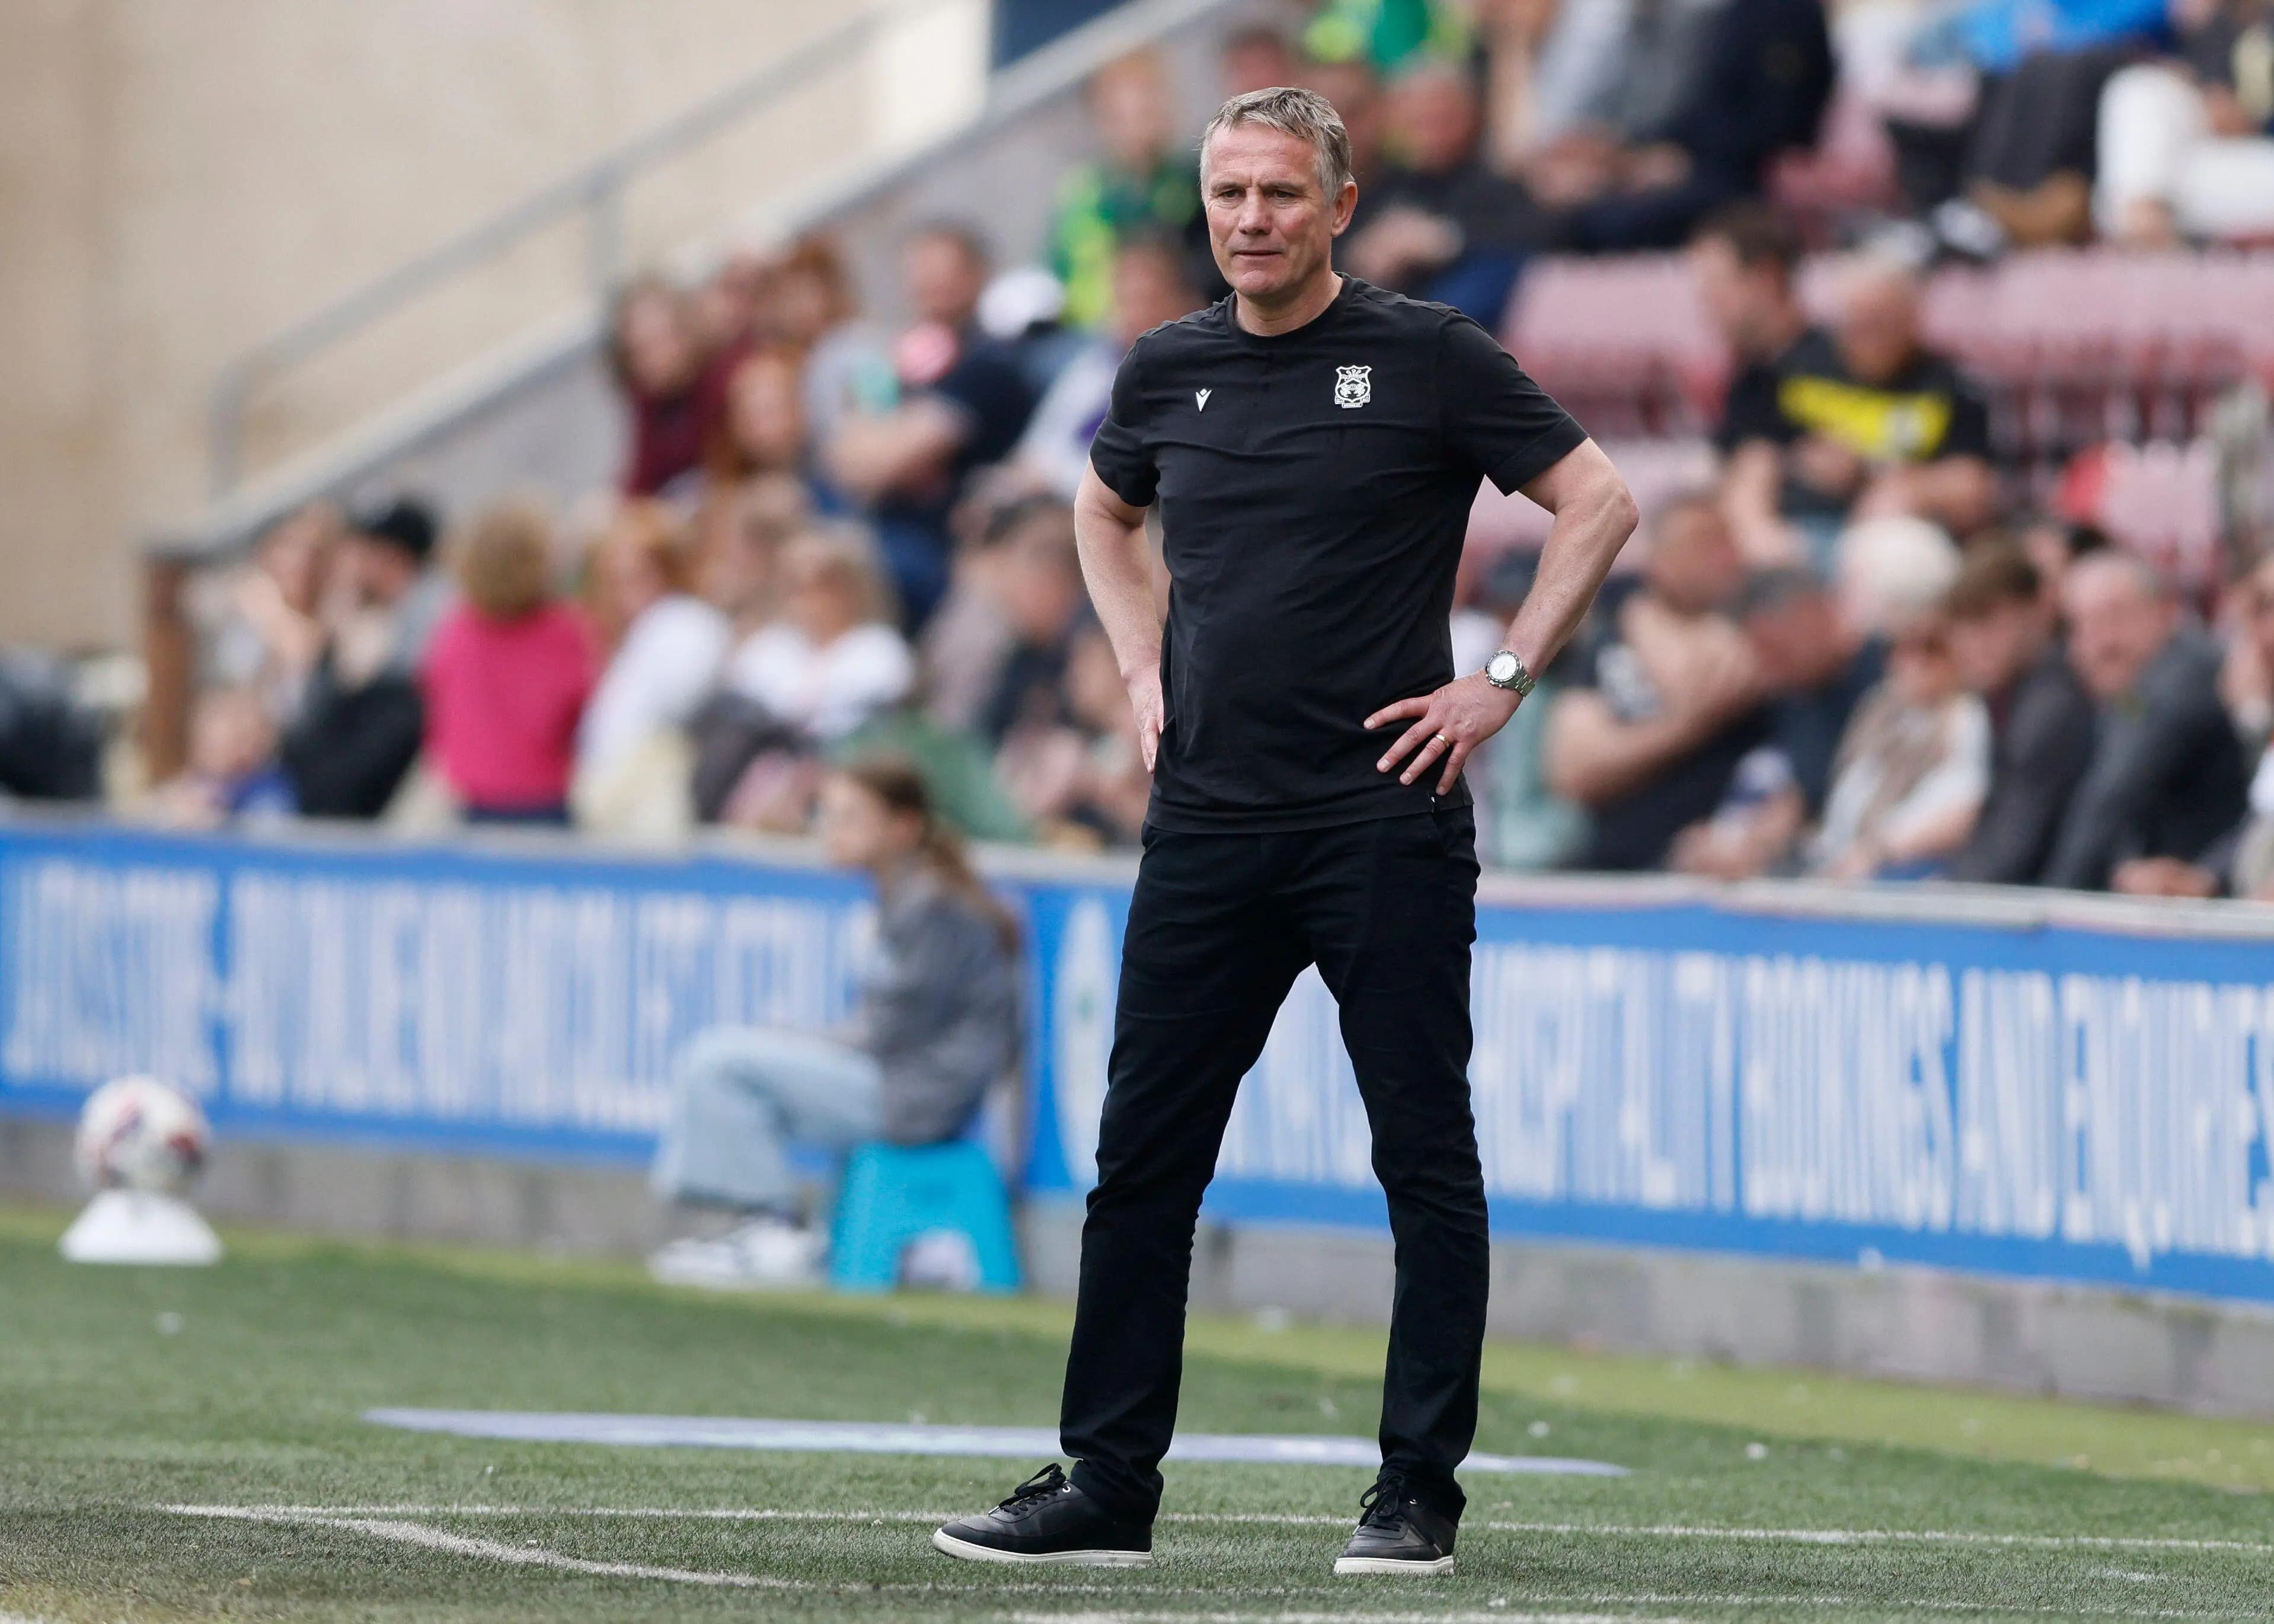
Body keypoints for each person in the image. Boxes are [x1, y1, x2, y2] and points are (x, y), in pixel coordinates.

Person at [932, 85, 1637, 1575]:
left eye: (1279, 194)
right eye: (1229, 194)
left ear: (1339, 207)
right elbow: (1102, 513)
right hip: (1206, 821)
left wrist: (1503, 678)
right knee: (1142, 1160)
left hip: (1382, 816)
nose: (1251, 219)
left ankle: (1417, 1490)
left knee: (1422, 1158)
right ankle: (1107, 1482)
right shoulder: (1165, 364)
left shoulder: (1430, 354)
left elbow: (1597, 501)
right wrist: (1139, 663)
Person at [647, 757, 1021, 1289]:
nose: (831, 830)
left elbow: (888, 1035)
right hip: (902, 1082)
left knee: (722, 1062)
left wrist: (793, 1039)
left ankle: (776, 1229)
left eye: (851, 817)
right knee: (725, 1055)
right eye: (826, 814)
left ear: (903, 827)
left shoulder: (933, 906)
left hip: (916, 1098)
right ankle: (767, 1225)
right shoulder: (909, 896)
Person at [1717, 256, 1998, 565]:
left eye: (1881, 321)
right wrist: (1758, 528)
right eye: (1856, 322)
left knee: (1900, 553)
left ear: (1912, 319)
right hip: (1798, 530)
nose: (1867, 335)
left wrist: (1877, 479)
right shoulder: (1794, 370)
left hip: (1893, 535)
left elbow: (1973, 486)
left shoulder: (1948, 387)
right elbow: (1753, 461)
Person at [823, 224, 1036, 629]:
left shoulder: (989, 361)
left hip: (952, 550)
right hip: (889, 533)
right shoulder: (897, 362)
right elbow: (843, 461)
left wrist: (884, 442)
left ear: (976, 274)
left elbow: (891, 461)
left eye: (942, 269)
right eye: (919, 269)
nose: (929, 282)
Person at [1544, 493, 1769, 871]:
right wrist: (1683, 727)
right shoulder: (1611, 637)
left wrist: (1646, 624)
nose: (1721, 558)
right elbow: (1572, 769)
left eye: (1726, 541)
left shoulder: (1752, 620)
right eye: (1701, 543)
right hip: (1616, 861)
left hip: (1717, 857)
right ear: (1659, 557)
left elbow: (1711, 687)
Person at [2042, 551, 2249, 890]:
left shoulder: (2180, 681)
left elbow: (2109, 803)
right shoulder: (2129, 690)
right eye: (2081, 626)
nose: (2100, 642)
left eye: (2114, 617)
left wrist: (2053, 905)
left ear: (2165, 611)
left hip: (2212, 897)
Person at [420, 501, 596, 826]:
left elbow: (435, 700)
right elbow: (577, 707)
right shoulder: (564, 630)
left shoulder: (455, 628)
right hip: (542, 798)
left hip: (470, 798)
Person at [1941, 539, 2097, 884]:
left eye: (1988, 622)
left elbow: (2014, 848)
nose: (1973, 644)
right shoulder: (2007, 698)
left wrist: (1947, 891)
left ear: (2037, 609)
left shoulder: (2051, 708)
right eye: (1961, 627)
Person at [1342, 55, 1541, 320]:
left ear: (1472, 117)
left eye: (1443, 119)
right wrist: (1366, 252)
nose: (1431, 133)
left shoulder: (1496, 187)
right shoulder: (1378, 186)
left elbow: (1530, 239)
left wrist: (1443, 241)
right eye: (1419, 120)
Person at [574, 502, 733, 828]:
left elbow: (680, 703)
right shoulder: (627, 638)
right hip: (613, 803)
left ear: (669, 571)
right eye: (614, 579)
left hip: (655, 806)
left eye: (639, 576)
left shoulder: (686, 623)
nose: (625, 593)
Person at [1013, 235, 1203, 503]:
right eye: (1122, 299)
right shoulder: (1098, 362)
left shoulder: (1195, 379)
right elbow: (1038, 445)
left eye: (1144, 299)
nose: (1129, 314)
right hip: (1051, 499)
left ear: (1187, 304)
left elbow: (1140, 476)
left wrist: (1048, 479)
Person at [1806, 609, 1990, 880]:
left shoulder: (1963, 716)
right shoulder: (1878, 709)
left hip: (1908, 866)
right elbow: (1851, 785)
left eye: (1929, 653)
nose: (1911, 663)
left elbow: (1957, 807)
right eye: (1901, 651)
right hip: (1844, 858)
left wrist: (1879, 850)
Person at [1047, 51, 1208, 330]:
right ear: (1105, 120)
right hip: (1098, 331)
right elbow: (1060, 276)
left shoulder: (1194, 179)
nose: (1144, 123)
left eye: (1151, 106)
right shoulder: (1084, 193)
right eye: (1131, 113)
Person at [1688, 204, 1812, 565]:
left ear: (1765, 279)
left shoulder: (1835, 368)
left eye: (1716, 284)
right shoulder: (1748, 380)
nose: (1707, 303)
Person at [2096, 0, 2274, 245]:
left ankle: (2147, 229)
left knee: (2140, 188)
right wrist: (2211, 97)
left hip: (2262, 159)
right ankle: (2146, 220)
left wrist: (2250, 124)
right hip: (2216, 158)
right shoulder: (2221, 23)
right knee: (2139, 86)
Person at [722, 528, 915, 744]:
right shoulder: (770, 645)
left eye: (821, 587)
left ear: (851, 589)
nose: (808, 600)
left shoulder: (880, 647)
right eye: (796, 588)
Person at [610, 276, 737, 498]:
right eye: (640, 350)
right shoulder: (648, 399)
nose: (654, 359)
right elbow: (642, 478)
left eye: (661, 341)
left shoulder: (723, 381)